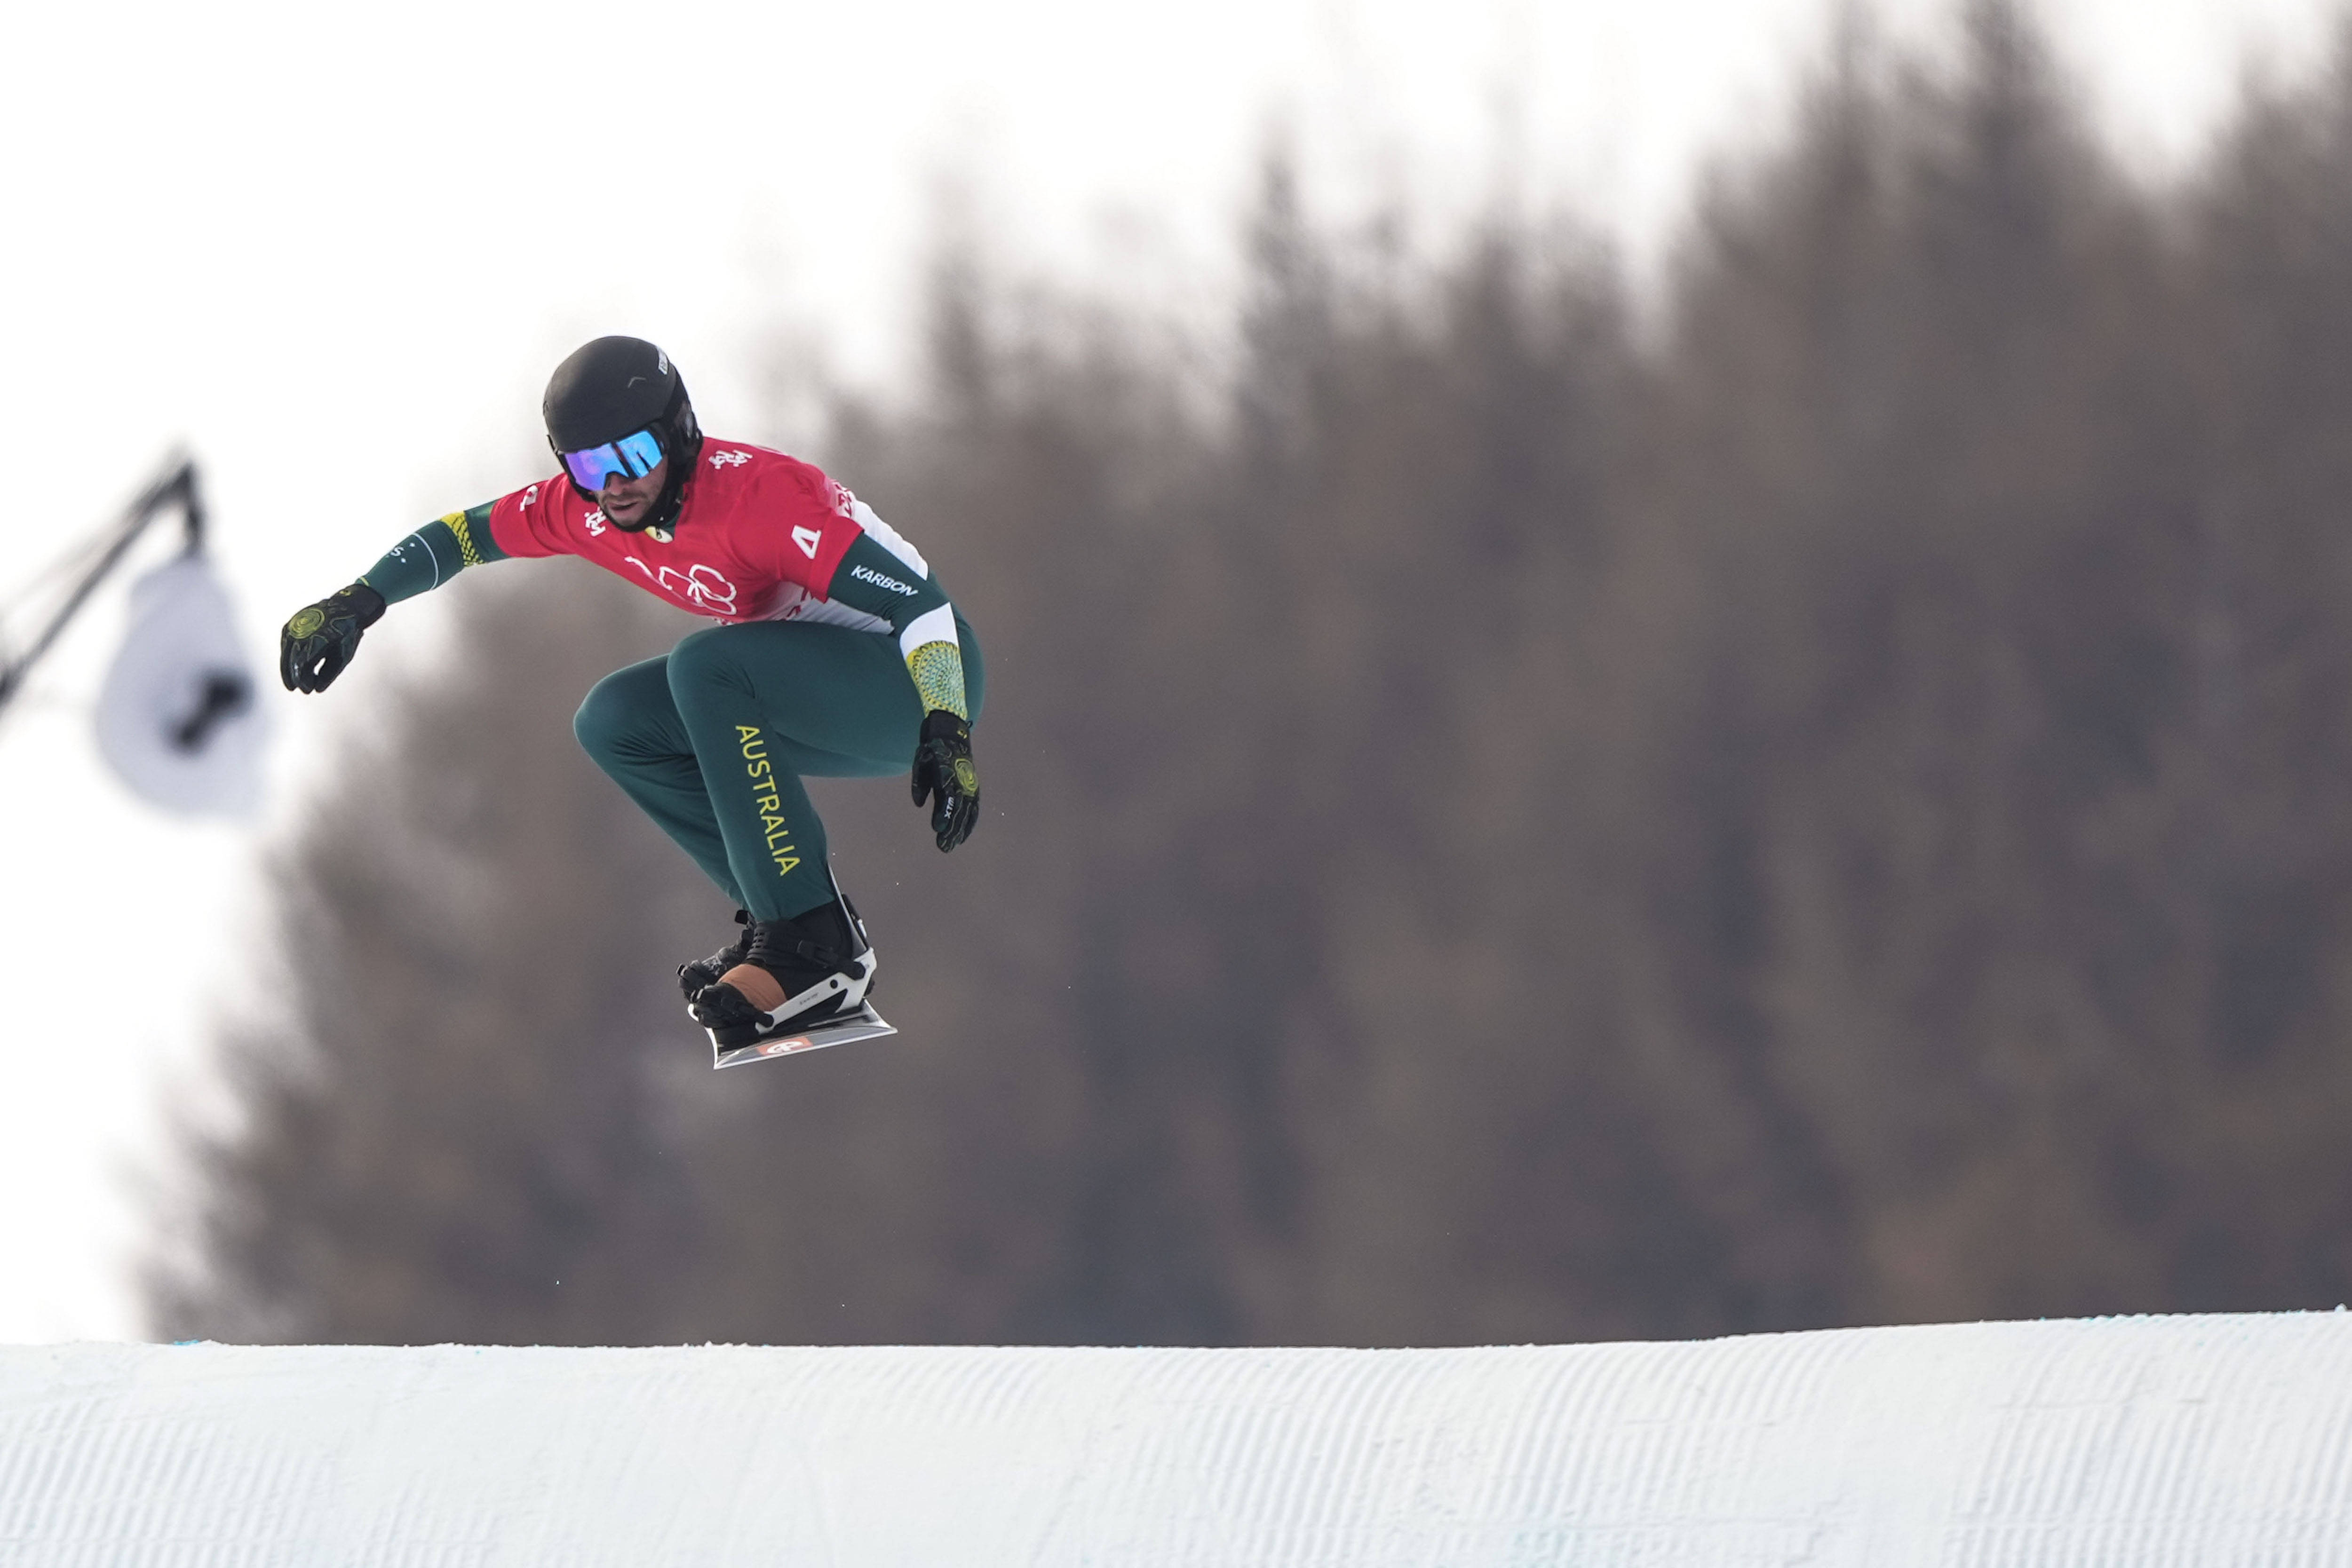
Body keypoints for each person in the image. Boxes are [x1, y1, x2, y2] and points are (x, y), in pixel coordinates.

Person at [279, 336, 982, 1047]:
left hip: (913, 680)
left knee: (705, 667)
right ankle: (782, 919)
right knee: (615, 720)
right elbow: (460, 537)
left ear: (677, 438)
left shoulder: (757, 500)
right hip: (812, 697)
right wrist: (358, 600)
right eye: (588, 465)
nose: (614, 484)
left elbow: (920, 605)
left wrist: (948, 727)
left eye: (633, 458)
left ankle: (813, 941)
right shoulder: (584, 510)